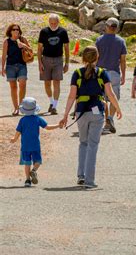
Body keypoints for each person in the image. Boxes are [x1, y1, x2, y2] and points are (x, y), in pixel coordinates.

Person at [60, 46, 122, 189]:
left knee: (83, 143)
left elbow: (71, 96)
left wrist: (65, 115)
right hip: (97, 112)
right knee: (93, 145)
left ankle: (81, 176)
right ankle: (89, 180)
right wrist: (117, 109)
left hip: (81, 112)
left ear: (83, 58)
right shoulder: (102, 73)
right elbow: (110, 93)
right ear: (97, 57)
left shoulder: (77, 73)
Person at [10, 97, 61, 187]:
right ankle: (33, 171)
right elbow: (48, 127)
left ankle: (27, 180)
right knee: (38, 161)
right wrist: (58, 125)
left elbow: (18, 132)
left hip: (25, 146)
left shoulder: (22, 120)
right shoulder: (37, 119)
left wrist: (14, 139)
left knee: (27, 163)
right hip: (35, 145)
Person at [95, 17, 127, 134]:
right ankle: (110, 118)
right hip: (114, 73)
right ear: (116, 28)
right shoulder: (121, 41)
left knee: (102, 98)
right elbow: (123, 60)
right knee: (114, 98)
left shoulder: (99, 40)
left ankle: (106, 121)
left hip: (100, 73)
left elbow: (95, 58)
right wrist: (123, 75)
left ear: (106, 26)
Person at [37, 14, 70, 114]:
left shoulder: (63, 32)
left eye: (55, 23)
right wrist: (39, 63)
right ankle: (51, 102)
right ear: (48, 22)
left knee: (56, 82)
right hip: (45, 59)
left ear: (58, 22)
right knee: (47, 83)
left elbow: (67, 48)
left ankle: (54, 106)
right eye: (51, 23)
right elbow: (39, 49)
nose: (53, 25)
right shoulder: (44, 32)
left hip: (58, 60)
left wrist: (67, 63)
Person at [2, 23, 33, 115]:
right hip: (10, 66)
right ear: (10, 31)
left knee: (23, 84)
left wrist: (24, 45)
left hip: (22, 65)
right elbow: (4, 56)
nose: (16, 31)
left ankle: (21, 106)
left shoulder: (23, 40)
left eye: (17, 29)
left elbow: (31, 52)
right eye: (14, 29)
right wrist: (2, 68)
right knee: (13, 87)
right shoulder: (6, 42)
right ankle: (16, 108)